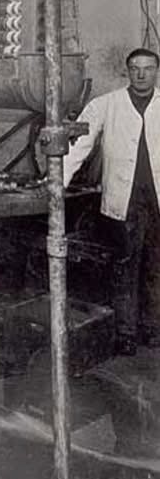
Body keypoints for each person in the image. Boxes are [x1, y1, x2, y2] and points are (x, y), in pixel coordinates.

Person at [64, 47, 160, 355]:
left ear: (156, 71)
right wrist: (58, 180)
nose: (142, 74)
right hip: (125, 199)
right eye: (136, 68)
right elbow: (80, 145)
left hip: (157, 200)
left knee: (156, 266)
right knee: (125, 266)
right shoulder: (107, 104)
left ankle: (153, 327)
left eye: (148, 68)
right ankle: (126, 332)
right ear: (127, 72)